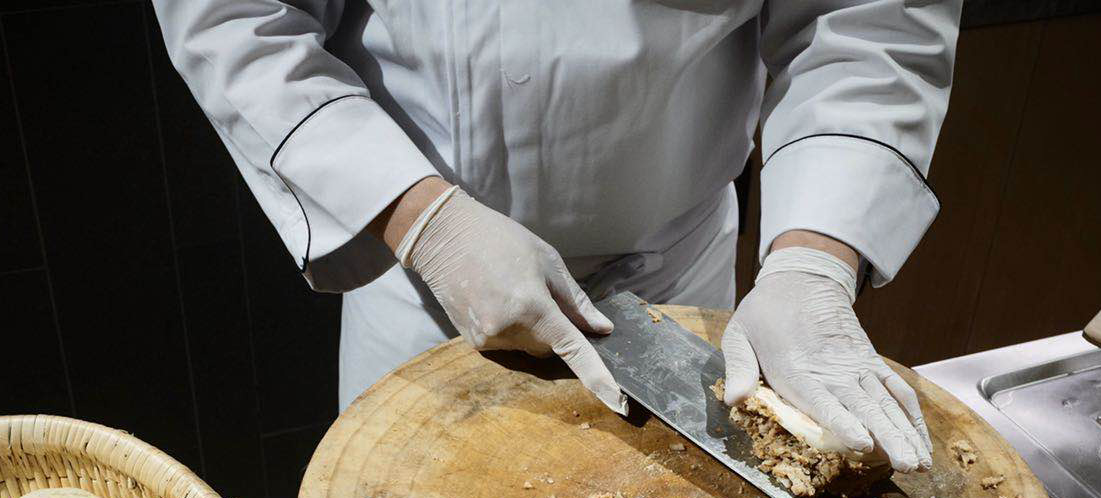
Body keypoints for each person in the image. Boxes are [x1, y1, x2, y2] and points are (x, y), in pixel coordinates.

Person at [155, 1, 958, 472]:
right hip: (430, 279)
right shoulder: (426, 238)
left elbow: (869, 21)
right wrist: (421, 218)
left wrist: (815, 260)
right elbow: (236, 19)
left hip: (676, 278)